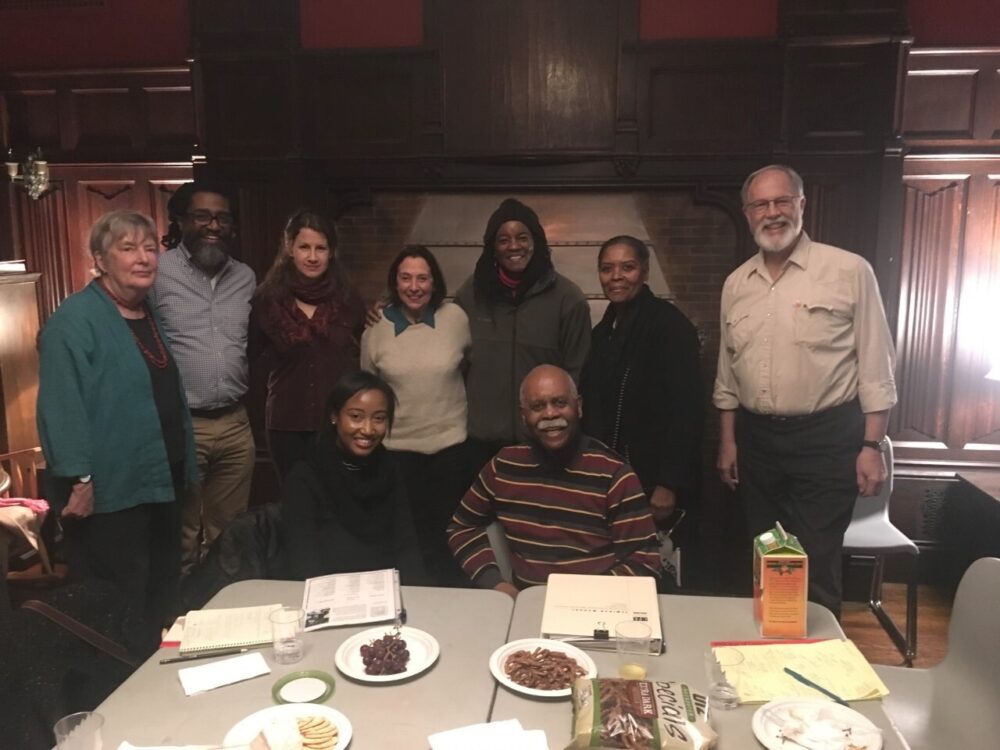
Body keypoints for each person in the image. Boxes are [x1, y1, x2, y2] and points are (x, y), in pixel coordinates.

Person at [714, 164, 897, 617]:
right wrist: (728, 441)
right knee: (766, 558)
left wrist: (871, 445)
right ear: (747, 212)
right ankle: (766, 662)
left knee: (813, 562)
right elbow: (727, 375)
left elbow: (877, 365)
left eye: (782, 201)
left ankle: (816, 675)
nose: (772, 213)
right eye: (761, 204)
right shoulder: (736, 284)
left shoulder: (849, 271)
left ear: (801, 204)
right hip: (757, 442)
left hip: (827, 438)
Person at [36, 210, 197, 655]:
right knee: (119, 600)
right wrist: (79, 479)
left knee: (161, 590)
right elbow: (59, 406)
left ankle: (151, 681)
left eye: (150, 248)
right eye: (128, 248)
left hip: (160, 478)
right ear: (100, 260)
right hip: (110, 490)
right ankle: (115, 690)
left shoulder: (145, 313)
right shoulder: (74, 320)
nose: (144, 258)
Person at [447, 365, 661, 598]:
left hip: (595, 606)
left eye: (559, 402)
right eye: (537, 406)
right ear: (523, 416)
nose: (550, 414)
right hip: (525, 604)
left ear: (578, 406)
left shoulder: (613, 474)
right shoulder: (504, 466)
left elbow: (645, 560)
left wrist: (580, 599)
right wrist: (497, 584)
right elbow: (461, 527)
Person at [151, 181, 256, 573]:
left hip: (234, 425)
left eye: (222, 218)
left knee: (229, 535)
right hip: (182, 424)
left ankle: (221, 616)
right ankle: (178, 620)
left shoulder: (246, 277)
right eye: (203, 216)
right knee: (180, 533)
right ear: (181, 221)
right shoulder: (158, 273)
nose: (213, 225)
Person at [454, 198, 591, 473]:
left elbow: (578, 372)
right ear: (493, 247)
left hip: (544, 442)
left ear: (536, 241)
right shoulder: (470, 294)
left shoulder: (569, 299)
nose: (514, 246)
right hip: (479, 444)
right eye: (504, 239)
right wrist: (389, 308)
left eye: (522, 237)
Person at [360, 245, 472, 583]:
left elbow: (467, 366)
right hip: (397, 454)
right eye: (405, 278)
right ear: (394, 283)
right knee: (407, 542)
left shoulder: (456, 319)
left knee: (450, 541)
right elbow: (369, 391)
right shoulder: (376, 327)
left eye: (422, 278)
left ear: (435, 282)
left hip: (450, 450)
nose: (414, 286)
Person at [580, 235, 704, 534]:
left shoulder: (670, 326)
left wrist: (669, 483)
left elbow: (687, 410)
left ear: (645, 272)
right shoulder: (602, 333)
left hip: (654, 482)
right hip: (612, 477)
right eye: (607, 268)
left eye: (628, 267)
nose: (616, 277)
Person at [281, 371, 426, 583]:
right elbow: (303, 563)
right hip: (328, 596)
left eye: (379, 418)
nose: (368, 429)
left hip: (385, 595)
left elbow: (407, 547)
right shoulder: (306, 475)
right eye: (356, 417)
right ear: (334, 416)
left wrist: (417, 599)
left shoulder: (389, 469)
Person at [251, 209, 364, 480]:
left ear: (331, 252)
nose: (312, 257)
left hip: (337, 425)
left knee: (338, 504)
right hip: (285, 424)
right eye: (304, 247)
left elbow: (362, 353)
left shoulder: (348, 300)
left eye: (320, 248)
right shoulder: (267, 300)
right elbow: (252, 361)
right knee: (295, 505)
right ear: (290, 248)